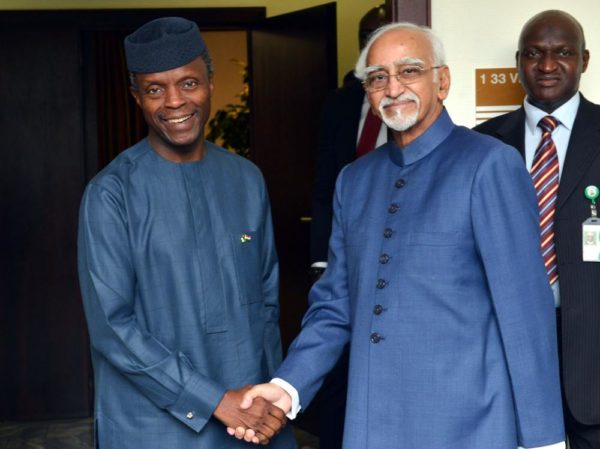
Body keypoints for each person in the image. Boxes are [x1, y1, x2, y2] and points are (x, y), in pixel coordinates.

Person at [234, 22, 566, 449]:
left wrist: (543, 438)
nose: (393, 88)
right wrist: (288, 385)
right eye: (377, 77)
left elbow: (525, 312)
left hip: (471, 422)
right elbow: (335, 305)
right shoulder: (354, 180)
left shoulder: (489, 165)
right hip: (373, 422)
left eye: (409, 71)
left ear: (441, 81)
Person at [77, 17, 295, 449]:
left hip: (250, 422)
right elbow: (113, 327)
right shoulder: (111, 193)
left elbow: (267, 305)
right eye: (155, 89)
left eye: (189, 83)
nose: (174, 102)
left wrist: (272, 402)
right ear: (136, 97)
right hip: (153, 427)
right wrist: (215, 399)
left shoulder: (247, 179)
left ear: (210, 83)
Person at [474, 10, 600, 449]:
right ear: (518, 62)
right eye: (534, 54)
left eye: (562, 53)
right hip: (506, 352)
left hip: (594, 359)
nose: (547, 66)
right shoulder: (481, 144)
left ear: (584, 59)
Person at [307, 7, 388, 449]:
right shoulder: (341, 102)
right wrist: (322, 260)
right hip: (344, 251)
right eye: (365, 36)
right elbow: (323, 184)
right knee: (339, 365)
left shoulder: (411, 103)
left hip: (389, 252)